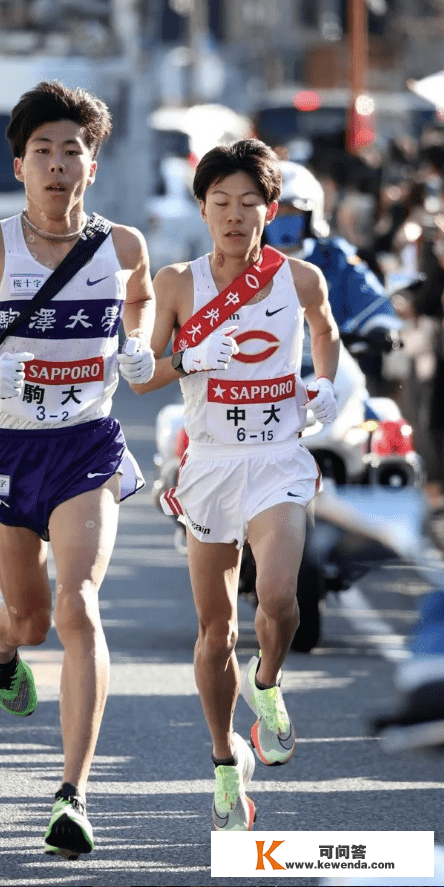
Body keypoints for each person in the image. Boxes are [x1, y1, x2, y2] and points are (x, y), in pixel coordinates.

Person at [0, 80, 155, 859]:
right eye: (42, 151)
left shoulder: (122, 247)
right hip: (11, 452)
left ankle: (73, 794)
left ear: (91, 163)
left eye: (71, 150)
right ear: (20, 166)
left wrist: (138, 343)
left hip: (87, 445)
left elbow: (139, 297)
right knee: (34, 618)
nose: (57, 164)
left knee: (78, 603)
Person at [131, 139, 339, 831]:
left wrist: (326, 383)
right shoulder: (177, 283)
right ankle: (225, 764)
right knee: (215, 629)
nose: (234, 214)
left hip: (277, 457)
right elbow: (144, 372)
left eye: (249, 202)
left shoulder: (299, 278)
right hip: (211, 463)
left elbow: (326, 332)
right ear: (202, 207)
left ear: (270, 210)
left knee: (279, 598)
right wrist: (188, 352)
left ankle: (270, 681)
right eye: (220, 201)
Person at [264, 159, 402, 395]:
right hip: (260, 385)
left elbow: (370, 298)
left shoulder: (336, 258)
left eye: (292, 212)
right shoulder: (240, 264)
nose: (283, 221)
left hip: (333, 379)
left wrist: (381, 327)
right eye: (274, 213)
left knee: (384, 417)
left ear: (311, 214)